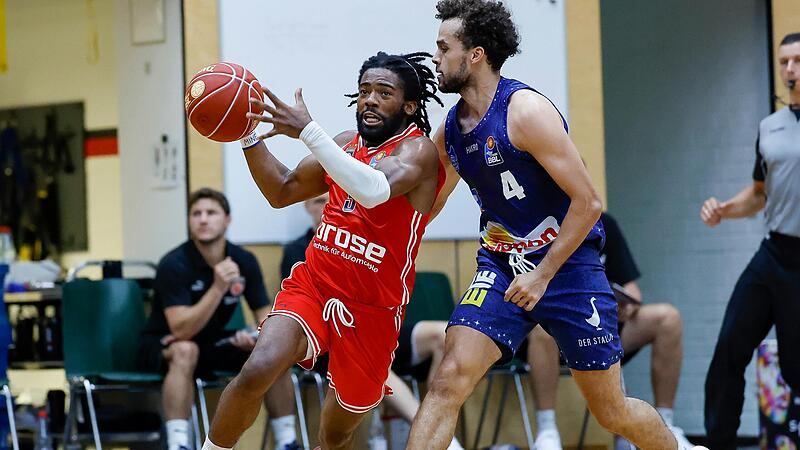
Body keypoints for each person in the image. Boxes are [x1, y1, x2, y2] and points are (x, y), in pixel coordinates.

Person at [406, 2, 700, 449]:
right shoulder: (450, 131)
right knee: (449, 378)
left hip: (566, 269)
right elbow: (427, 206)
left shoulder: (526, 112)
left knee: (611, 411)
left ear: (475, 55)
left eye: (444, 48)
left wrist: (542, 275)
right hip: (502, 266)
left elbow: (589, 202)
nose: (436, 57)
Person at [201, 51, 445, 450]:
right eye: (364, 90)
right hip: (315, 286)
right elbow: (281, 190)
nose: (370, 99)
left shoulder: (418, 152)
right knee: (259, 367)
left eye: (384, 93)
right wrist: (246, 132)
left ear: (409, 106)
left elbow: (373, 190)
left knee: (335, 435)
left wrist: (309, 132)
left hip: (373, 309)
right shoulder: (345, 145)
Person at [281, 194, 463, 450]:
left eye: (329, 199)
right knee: (374, 365)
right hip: (331, 338)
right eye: (318, 202)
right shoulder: (297, 249)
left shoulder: (371, 236)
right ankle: (434, 438)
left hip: (378, 328)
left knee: (444, 336)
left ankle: (436, 419)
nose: (325, 206)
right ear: (306, 206)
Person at [137, 188, 298, 450]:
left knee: (273, 350)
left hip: (212, 342)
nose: (203, 219)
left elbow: (267, 316)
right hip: (164, 343)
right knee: (186, 350)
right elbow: (181, 330)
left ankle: (287, 441)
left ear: (227, 220)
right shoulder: (174, 263)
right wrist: (218, 288)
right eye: (196, 214)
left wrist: (256, 336)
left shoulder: (244, 260)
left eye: (211, 213)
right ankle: (179, 444)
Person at [700, 32, 800, 450]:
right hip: (774, 254)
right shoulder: (770, 127)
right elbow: (760, 194)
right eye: (784, 62)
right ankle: (718, 443)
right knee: (729, 347)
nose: (790, 70)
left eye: (797, 61)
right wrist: (725, 209)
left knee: (796, 367)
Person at [527, 211, 690, 450]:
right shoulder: (533, 222)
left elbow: (632, 289)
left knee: (668, 318)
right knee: (541, 329)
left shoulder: (602, 221)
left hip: (604, 321)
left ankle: (666, 425)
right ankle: (547, 431)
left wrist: (629, 305)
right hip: (555, 326)